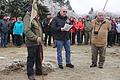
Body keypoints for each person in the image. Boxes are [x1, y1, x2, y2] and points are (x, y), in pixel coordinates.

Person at [24, 3, 47, 80]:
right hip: (32, 42)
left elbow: (39, 29)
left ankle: (39, 70)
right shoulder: (27, 18)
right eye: (35, 10)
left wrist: (41, 38)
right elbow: (27, 31)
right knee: (31, 58)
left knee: (39, 57)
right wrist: (35, 38)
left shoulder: (36, 18)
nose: (37, 11)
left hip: (39, 42)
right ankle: (30, 74)